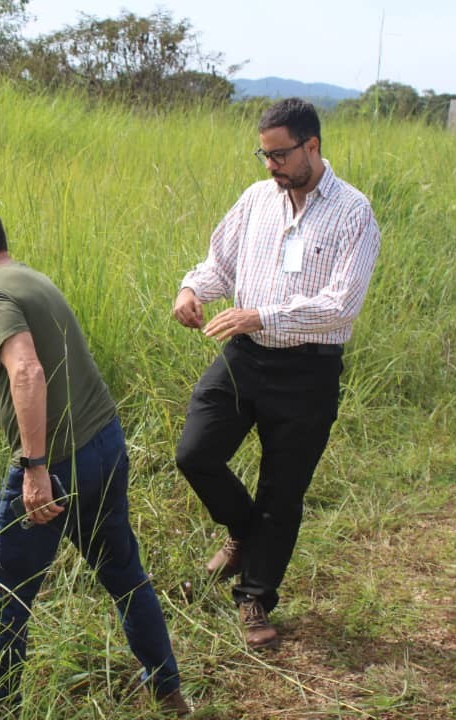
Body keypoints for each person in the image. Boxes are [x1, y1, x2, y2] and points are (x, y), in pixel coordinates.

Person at [0, 202, 189, 717]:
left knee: (6, 597)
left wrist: (34, 468)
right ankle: (168, 690)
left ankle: (0, 709)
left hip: (54, 466)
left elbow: (27, 373)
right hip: (104, 444)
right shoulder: (31, 280)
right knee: (124, 573)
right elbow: (2, 384)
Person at [172, 98, 380, 650]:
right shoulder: (256, 199)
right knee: (195, 453)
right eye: (264, 155)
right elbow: (219, 265)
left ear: (312, 145)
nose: (271, 166)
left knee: (282, 490)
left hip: (308, 370)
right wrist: (191, 290)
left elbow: (341, 304)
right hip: (245, 356)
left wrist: (262, 314)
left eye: (280, 155)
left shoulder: (354, 213)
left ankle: (255, 596)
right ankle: (245, 534)